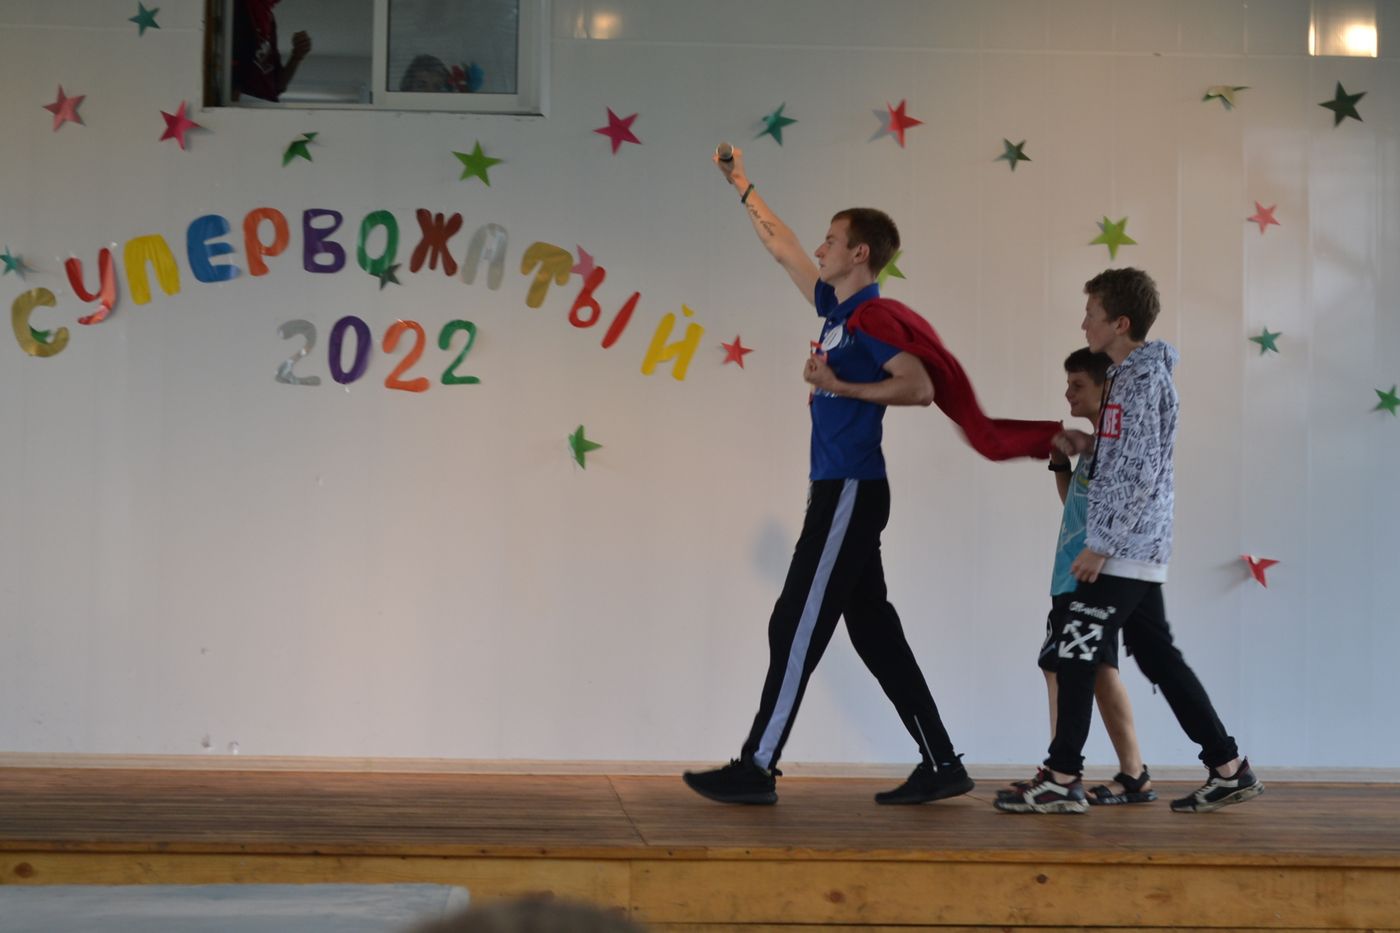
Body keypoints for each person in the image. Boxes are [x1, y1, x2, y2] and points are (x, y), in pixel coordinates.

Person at [683, 143, 1054, 806]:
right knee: (874, 633)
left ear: (860, 253)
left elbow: (917, 387)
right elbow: (783, 247)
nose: (819, 248)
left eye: (832, 240)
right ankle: (942, 762)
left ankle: (757, 766)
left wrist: (839, 386)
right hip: (843, 491)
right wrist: (740, 182)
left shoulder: (874, 318)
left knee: (794, 622)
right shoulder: (838, 311)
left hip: (850, 491)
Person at [996, 268, 1265, 814]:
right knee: (1157, 659)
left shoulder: (1141, 382)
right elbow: (1130, 457)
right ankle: (1228, 767)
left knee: (1075, 649)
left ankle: (1062, 776)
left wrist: (1102, 544)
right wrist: (1089, 447)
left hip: (1124, 549)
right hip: (1134, 548)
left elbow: (1141, 474)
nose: (1084, 323)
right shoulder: (1126, 378)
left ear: (1120, 323)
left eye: (1091, 314)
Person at [997, 348, 1154, 807]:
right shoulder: (1093, 443)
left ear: (1107, 388)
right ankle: (1133, 774)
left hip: (1085, 578)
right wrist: (1060, 462)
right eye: (1068, 384)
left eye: (1078, 385)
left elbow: (1131, 504)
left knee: (1060, 668)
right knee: (1100, 672)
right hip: (1073, 572)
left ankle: (1060, 773)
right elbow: (1075, 504)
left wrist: (1099, 561)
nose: (1068, 393)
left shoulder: (1111, 444)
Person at [232, 0, 312, 103]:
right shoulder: (236, 6)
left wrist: (296, 56)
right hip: (243, 103)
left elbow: (278, 84)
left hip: (263, 104)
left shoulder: (269, 19)